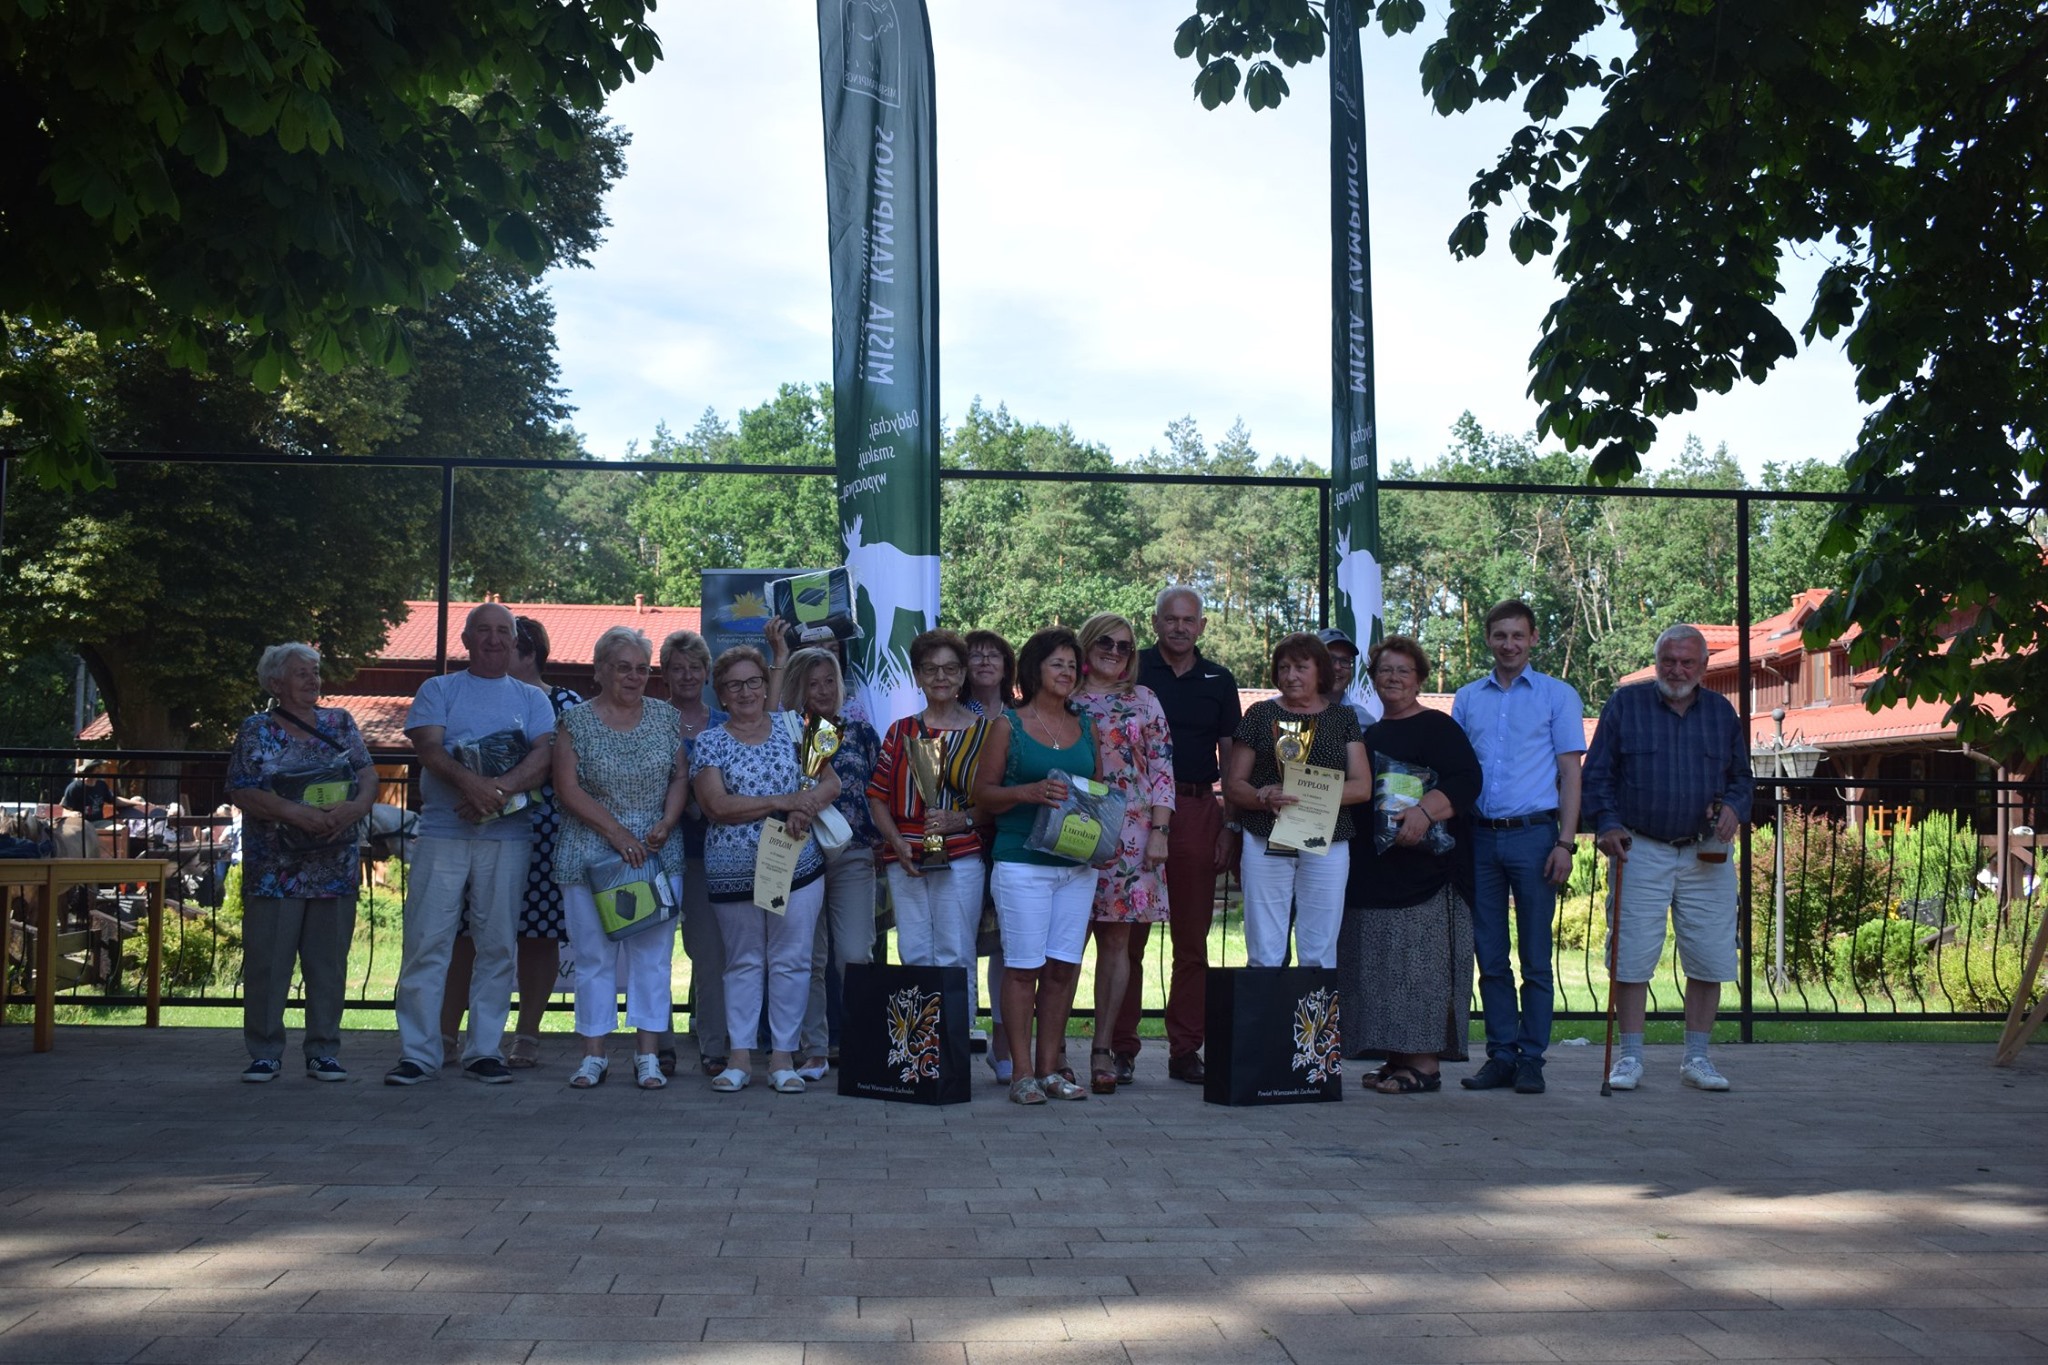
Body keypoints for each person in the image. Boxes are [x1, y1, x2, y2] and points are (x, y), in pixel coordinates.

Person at [385, 602, 557, 1086]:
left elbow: (544, 757)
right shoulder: (438, 689)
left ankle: (484, 1050)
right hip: (442, 833)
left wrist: (494, 792)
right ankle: (419, 1053)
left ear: (515, 641)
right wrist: (475, 787)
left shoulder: (532, 699)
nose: (494, 639)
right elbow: (429, 748)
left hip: (508, 837)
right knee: (426, 942)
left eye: (503, 631)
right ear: (465, 639)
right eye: (483, 630)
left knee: (498, 945)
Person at [1582, 624, 1754, 1092]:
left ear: (1703, 666)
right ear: (1657, 661)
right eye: (1668, 661)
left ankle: (1697, 1058)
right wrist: (1607, 824)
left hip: (1707, 852)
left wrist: (1734, 807)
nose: (1677, 670)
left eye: (1686, 662)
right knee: (1632, 955)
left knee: (1710, 955)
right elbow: (1597, 775)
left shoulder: (1721, 712)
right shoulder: (1625, 704)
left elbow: (1742, 778)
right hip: (1640, 847)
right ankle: (1630, 1058)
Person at [225, 644, 378, 1083]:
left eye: (315, 672)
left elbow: (367, 775)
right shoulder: (256, 729)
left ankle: (324, 1051)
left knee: (328, 963)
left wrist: (355, 809)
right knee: (268, 963)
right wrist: (297, 814)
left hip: (334, 864)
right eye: (301, 673)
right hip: (276, 869)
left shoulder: (339, 722)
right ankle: (265, 1052)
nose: (313, 680)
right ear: (276, 683)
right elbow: (242, 789)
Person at [1452, 599, 1586, 1096]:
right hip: (1480, 837)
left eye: (1517, 635)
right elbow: (1458, 770)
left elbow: (1571, 774)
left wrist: (1566, 842)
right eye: (1500, 635)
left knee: (1535, 957)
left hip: (1535, 837)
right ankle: (1501, 1056)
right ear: (1488, 638)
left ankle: (1532, 1059)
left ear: (1532, 639)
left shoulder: (1558, 695)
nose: (1508, 644)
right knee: (1489, 956)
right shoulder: (1468, 698)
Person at [691, 645, 838, 1093]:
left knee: (792, 961)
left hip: (796, 866)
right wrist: (782, 801)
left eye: (753, 681)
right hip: (732, 872)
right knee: (743, 962)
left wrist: (804, 808)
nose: (746, 692)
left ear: (765, 683)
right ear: (721, 694)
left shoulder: (796, 728)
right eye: (734, 685)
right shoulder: (710, 742)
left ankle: (782, 1060)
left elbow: (830, 782)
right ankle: (739, 1060)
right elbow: (716, 805)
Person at [1339, 636, 1481, 1094]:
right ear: (1373, 679)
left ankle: (1424, 1065)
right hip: (1378, 875)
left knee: (1420, 972)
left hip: (1428, 876)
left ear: (1419, 679)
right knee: (1384, 969)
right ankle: (1397, 1057)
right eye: (1385, 670)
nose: (1394, 678)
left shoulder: (1438, 727)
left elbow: (1467, 780)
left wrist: (1424, 813)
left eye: (1403, 670)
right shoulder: (1369, 735)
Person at [440, 615, 582, 1069]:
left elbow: (571, 768)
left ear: (529, 654)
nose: (496, 650)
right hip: (479, 827)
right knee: (467, 934)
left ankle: (527, 1035)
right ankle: (446, 1034)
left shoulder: (564, 703)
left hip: (542, 833)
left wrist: (502, 793)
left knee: (538, 934)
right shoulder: (477, 695)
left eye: (508, 645)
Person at [549, 626, 687, 1090]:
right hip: (589, 858)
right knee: (593, 959)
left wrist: (668, 820)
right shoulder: (575, 722)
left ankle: (648, 1056)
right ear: (601, 670)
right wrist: (616, 833)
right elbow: (566, 788)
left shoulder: (666, 718)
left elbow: (680, 777)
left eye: (641, 669)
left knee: (653, 960)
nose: (633, 677)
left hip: (655, 855)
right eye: (623, 667)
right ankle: (593, 1056)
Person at [974, 626, 1100, 1104]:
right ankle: (1021, 1074)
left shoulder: (1086, 726)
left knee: (1063, 969)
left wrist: (1104, 838)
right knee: (1023, 968)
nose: (1066, 672)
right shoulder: (1008, 725)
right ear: (1034, 669)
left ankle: (1050, 1071)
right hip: (1021, 863)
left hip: (1077, 866)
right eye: (1056, 664)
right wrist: (1028, 792)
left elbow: (1098, 793)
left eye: (1072, 665)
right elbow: (982, 795)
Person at [1123, 587, 1242, 1085]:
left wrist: (1230, 824)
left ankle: (1185, 1049)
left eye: (1188, 620)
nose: (1179, 627)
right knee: (1127, 938)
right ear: (1154, 622)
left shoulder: (1219, 679)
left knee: (1191, 942)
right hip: (1135, 813)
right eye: (1170, 619)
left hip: (1196, 809)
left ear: (1202, 626)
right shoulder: (1131, 668)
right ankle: (1120, 1047)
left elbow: (1232, 757)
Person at [868, 630, 990, 1052]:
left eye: (950, 668)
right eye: (931, 669)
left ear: (963, 675)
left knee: (956, 950)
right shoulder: (900, 731)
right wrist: (895, 843)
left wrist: (962, 819)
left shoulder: (986, 733)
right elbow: (877, 796)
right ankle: (919, 1047)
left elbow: (995, 801)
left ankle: (956, 1043)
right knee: (915, 949)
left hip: (961, 856)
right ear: (918, 676)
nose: (941, 677)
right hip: (905, 856)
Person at [1224, 631, 1371, 969]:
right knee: (1264, 950)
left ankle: (1314, 1007)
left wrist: (1305, 793)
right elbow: (1234, 786)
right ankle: (1265, 1005)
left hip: (1326, 840)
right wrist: (1262, 797)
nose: (1291, 675)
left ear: (1320, 671)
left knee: (1319, 949)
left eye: (1301, 667)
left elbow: (1362, 787)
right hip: (1265, 837)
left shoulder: (1343, 718)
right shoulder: (1259, 714)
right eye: (1284, 667)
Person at [1072, 612, 1174, 1095]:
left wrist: (1160, 831)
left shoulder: (1144, 699)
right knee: (1064, 945)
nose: (1115, 652)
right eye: (1106, 643)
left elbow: (1162, 769)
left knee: (1116, 945)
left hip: (1132, 835)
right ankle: (1051, 1052)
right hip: (1072, 830)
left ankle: (1102, 1050)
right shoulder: (1063, 694)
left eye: (1125, 646)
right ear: (1087, 646)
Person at [783, 645, 883, 1082]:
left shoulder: (861, 732)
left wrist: (884, 843)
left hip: (854, 852)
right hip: (798, 854)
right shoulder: (784, 732)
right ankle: (815, 1051)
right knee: (808, 957)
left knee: (855, 954)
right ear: (797, 687)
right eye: (813, 683)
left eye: (829, 681)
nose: (823, 690)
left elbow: (878, 792)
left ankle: (863, 1047)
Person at [661, 628, 729, 1075]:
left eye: (694, 667)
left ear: (707, 672)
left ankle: (713, 1047)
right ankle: (659, 1046)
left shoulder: (725, 722)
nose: (687, 675)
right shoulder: (651, 720)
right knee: (654, 956)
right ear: (665, 674)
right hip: (657, 852)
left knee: (709, 955)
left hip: (711, 855)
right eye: (677, 668)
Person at [964, 628, 1018, 1078]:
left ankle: (1003, 1043)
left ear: (1007, 665)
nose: (984, 662)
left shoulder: (1023, 714)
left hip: (1010, 836)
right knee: (960, 940)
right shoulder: (949, 713)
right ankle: (952, 1036)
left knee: (1007, 942)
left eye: (993, 655)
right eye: (975, 655)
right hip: (961, 837)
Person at [1316, 626, 1374, 727]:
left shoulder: (1364, 721)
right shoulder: (1291, 713)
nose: (1337, 667)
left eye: (1344, 660)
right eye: (1330, 659)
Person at [61, 760, 146, 820]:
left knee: (120, 829)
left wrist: (137, 803)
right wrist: (71, 814)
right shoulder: (74, 787)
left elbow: (114, 800)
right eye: (102, 766)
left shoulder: (101, 785)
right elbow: (65, 810)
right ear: (96, 769)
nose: (104, 769)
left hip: (99, 823)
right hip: (81, 825)